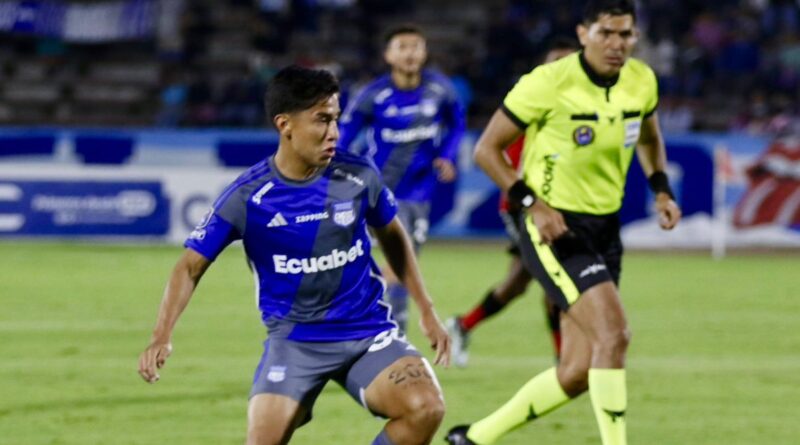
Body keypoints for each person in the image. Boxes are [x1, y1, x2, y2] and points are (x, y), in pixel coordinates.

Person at [138, 65, 451, 445]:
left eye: (335, 119)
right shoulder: (248, 196)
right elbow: (189, 266)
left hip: (367, 331)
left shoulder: (358, 175)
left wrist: (427, 309)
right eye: (321, 120)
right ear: (284, 124)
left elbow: (394, 236)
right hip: (295, 341)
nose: (334, 132)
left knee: (426, 408)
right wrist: (161, 335)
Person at [446, 1, 681, 444]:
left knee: (576, 373)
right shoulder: (547, 83)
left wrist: (662, 189)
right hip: (555, 227)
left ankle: (472, 437)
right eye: (606, 33)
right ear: (582, 33)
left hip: (605, 228)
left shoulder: (641, 80)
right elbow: (486, 150)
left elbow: (650, 136)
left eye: (625, 35)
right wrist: (532, 203)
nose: (616, 44)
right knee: (614, 335)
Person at [446, 38, 580, 368]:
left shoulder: (581, 110)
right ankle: (563, 362)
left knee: (518, 283)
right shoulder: (529, 105)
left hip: (560, 205)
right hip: (523, 206)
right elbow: (498, 155)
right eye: (554, 64)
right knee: (553, 279)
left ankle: (462, 325)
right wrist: (526, 197)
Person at [338, 24, 466, 332]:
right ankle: (379, 321)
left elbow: (457, 124)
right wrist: (342, 167)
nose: (410, 53)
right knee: (402, 263)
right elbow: (344, 135)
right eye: (402, 47)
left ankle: (392, 327)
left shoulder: (440, 90)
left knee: (406, 264)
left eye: (416, 46)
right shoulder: (373, 95)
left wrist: (446, 156)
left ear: (424, 52)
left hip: (419, 192)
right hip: (379, 190)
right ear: (388, 54)